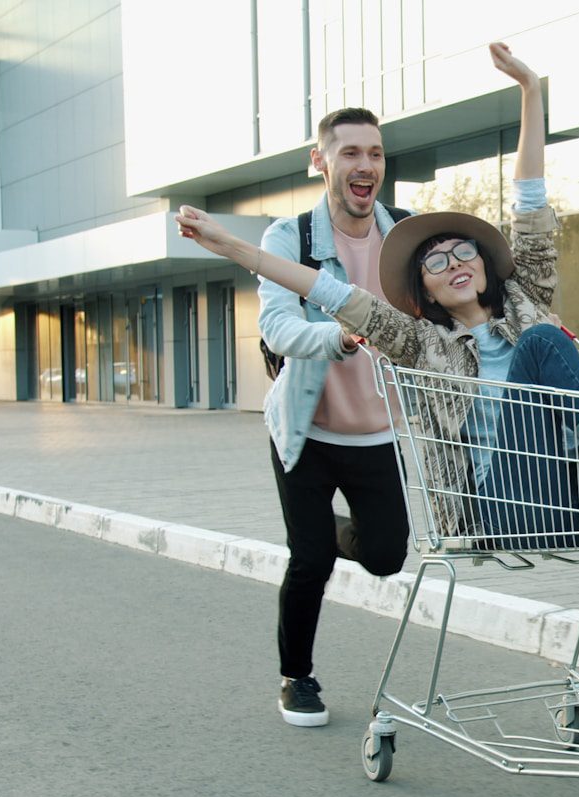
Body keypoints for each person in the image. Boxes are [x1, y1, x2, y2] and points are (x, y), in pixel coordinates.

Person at [179, 43, 579, 553]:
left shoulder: (525, 297)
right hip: (508, 506)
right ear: (423, 286)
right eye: (435, 261)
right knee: (543, 344)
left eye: (463, 250)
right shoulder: (420, 341)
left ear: (486, 261)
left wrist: (531, 92)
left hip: (578, 488)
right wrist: (233, 247)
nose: (454, 264)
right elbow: (330, 292)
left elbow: (530, 200)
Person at [256, 104, 411, 726]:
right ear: (320, 161)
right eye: (350, 153)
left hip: (377, 434)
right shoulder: (288, 237)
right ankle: (297, 677)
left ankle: (332, 530)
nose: (365, 165)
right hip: (307, 432)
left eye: (374, 153)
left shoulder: (405, 231)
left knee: (385, 556)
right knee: (311, 558)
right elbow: (276, 324)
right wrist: (336, 337)